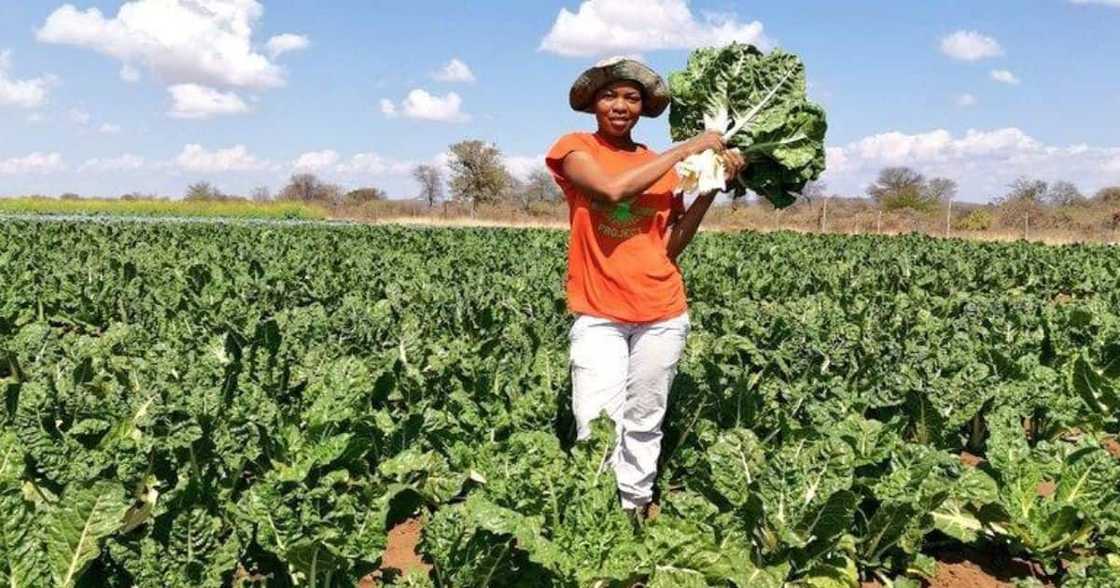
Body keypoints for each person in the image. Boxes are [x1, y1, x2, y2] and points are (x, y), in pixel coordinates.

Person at [544, 57, 746, 520]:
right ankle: (595, 509)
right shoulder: (575, 149)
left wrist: (712, 188)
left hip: (662, 310)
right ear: (593, 103)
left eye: (631, 98)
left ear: (642, 108)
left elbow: (669, 245)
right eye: (610, 96)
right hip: (599, 313)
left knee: (645, 417)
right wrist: (686, 148)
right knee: (596, 419)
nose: (620, 106)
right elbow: (611, 192)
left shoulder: (658, 166)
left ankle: (633, 505)